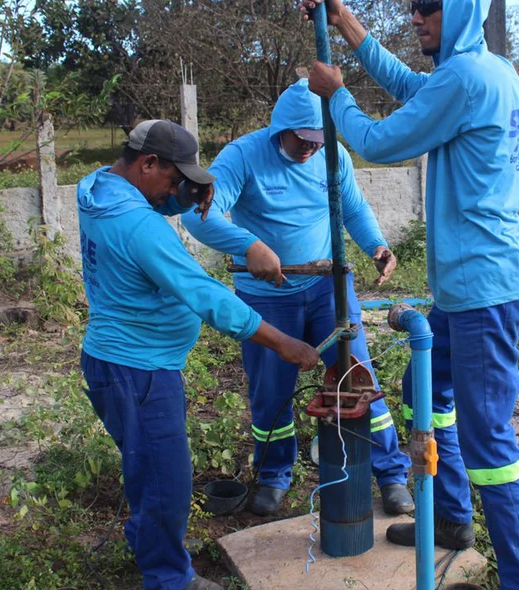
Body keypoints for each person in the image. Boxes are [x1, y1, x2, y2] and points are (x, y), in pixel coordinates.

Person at [301, 1, 519, 588]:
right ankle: (453, 518)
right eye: (413, 8)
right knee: (423, 387)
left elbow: (380, 142)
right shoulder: (488, 69)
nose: (416, 17)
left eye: (430, 8)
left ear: (462, 10)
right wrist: (345, 22)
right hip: (470, 290)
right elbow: (413, 86)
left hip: (483, 293)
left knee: (490, 443)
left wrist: (336, 95)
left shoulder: (464, 78)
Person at [77, 119, 320, 590]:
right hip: (139, 370)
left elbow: (146, 202)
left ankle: (146, 543)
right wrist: (283, 342)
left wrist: (187, 194)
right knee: (168, 482)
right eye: (173, 179)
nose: (176, 191)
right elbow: (207, 296)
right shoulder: (139, 226)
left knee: (146, 467)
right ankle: (170, 578)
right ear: (148, 163)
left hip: (112, 361)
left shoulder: (97, 189)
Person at [180, 79, 414, 517]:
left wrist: (377, 246)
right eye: (302, 139)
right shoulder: (243, 157)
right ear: (279, 130)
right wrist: (249, 246)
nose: (310, 148)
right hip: (267, 297)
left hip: (329, 289)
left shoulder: (332, 155)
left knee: (357, 379)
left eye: (317, 140)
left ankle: (390, 475)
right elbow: (200, 216)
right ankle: (273, 477)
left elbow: (354, 208)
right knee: (272, 391)